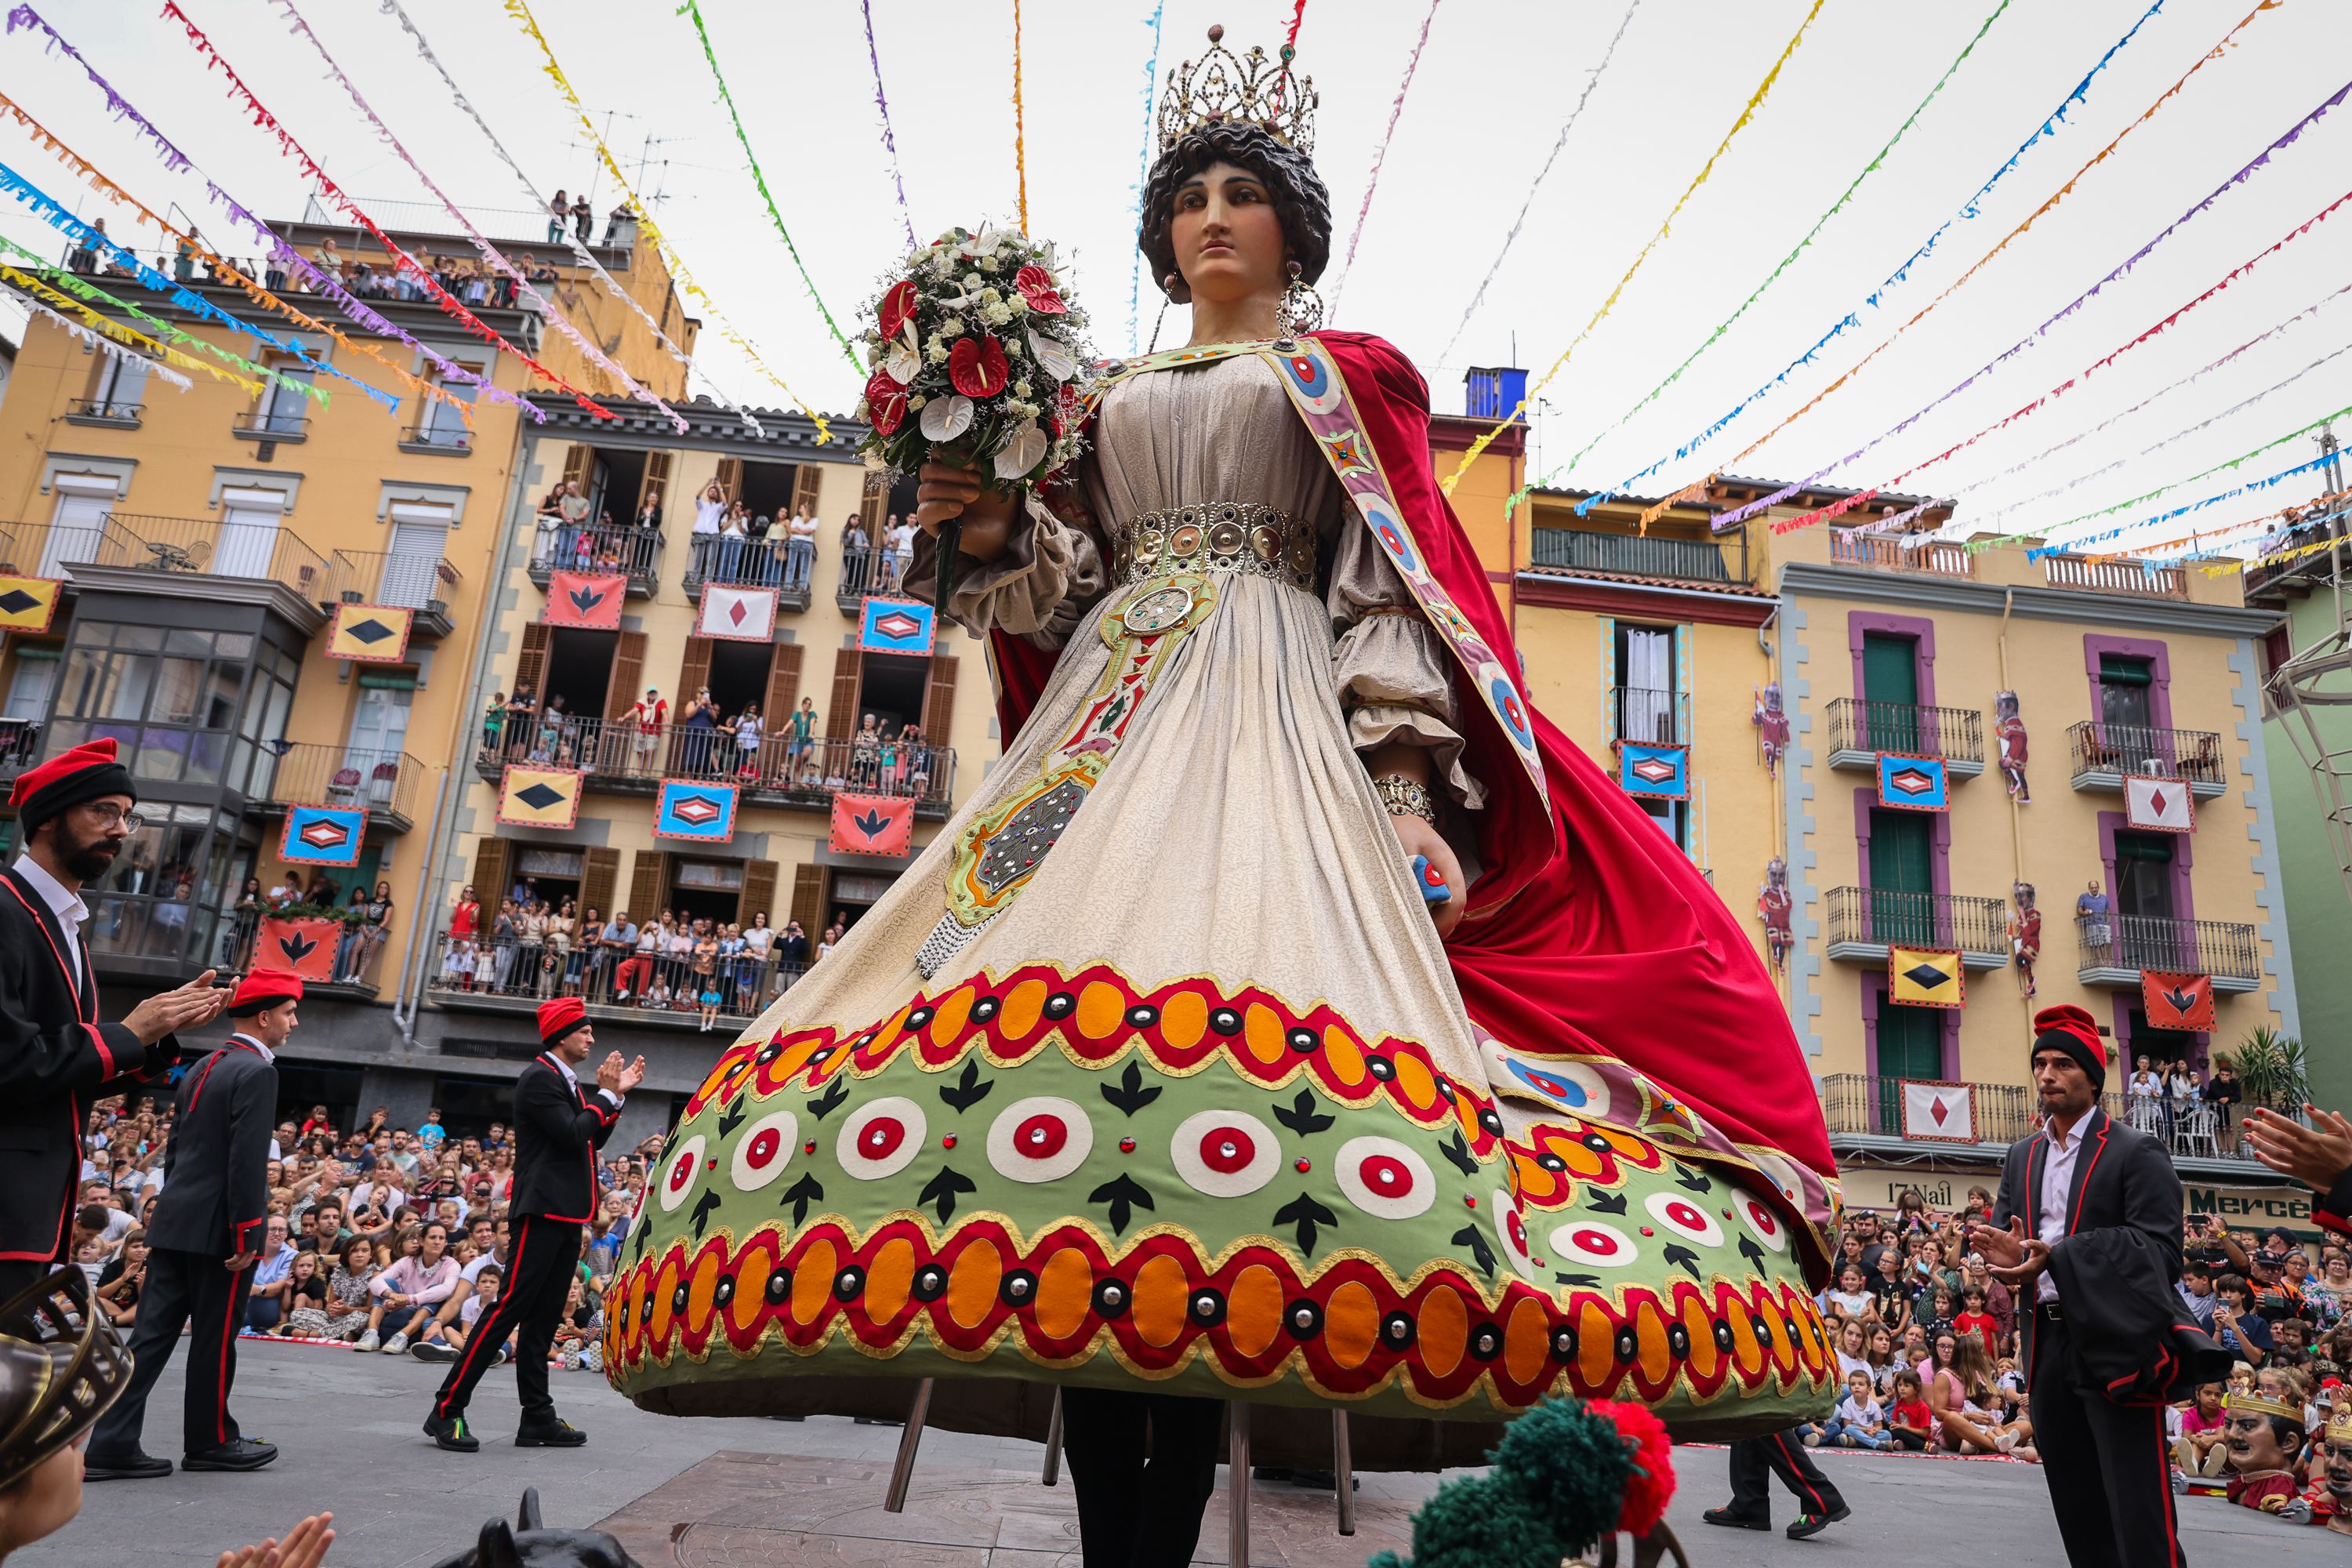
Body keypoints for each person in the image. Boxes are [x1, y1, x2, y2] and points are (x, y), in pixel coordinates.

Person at [606, 47, 1840, 1568]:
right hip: (1110, 727)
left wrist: (1401, 788)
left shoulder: (1338, 380)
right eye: (1190, 196)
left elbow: (1383, 585)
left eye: (1242, 194)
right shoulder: (1109, 397)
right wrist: (984, 513)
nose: (1212, 218)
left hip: (1274, 721)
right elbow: (1062, 590)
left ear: (1292, 229)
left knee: (1224, 1165)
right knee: (1053, 1102)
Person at [0, 739, 226, 1300]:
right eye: (103, 811)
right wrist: (130, 1032)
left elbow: (66, 1072)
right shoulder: (6, 911)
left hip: (34, 1214)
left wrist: (156, 1032)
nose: (122, 830)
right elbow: (11, 1061)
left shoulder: (64, 923)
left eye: (128, 815)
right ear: (49, 818)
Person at [1971, 1004, 2194, 1567]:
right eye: (2040, 1063)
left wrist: (2061, 1257)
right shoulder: (2021, 1155)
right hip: (2045, 1343)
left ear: (2092, 1077)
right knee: (2076, 1501)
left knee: (2137, 1505)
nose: (2047, 1075)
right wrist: (2006, 1255)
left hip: (2116, 1341)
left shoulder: (2135, 1150)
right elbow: (2015, 1241)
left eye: (2063, 1064)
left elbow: (2163, 1252)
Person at [84, 971, 299, 1481]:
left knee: (151, 1336)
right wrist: (248, 1233)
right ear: (265, 1017)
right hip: (219, 1232)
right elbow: (247, 1162)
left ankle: (111, 1442)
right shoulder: (257, 1072)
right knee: (214, 1338)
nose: (293, 1022)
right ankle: (212, 1441)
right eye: (289, 1013)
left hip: (177, 1223)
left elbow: (176, 1150)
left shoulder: (205, 1066)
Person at [424, 996, 643, 1453]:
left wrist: (614, 1096)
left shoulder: (563, 1080)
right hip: (542, 1212)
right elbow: (572, 1132)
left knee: (543, 1319)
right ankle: (447, 1408)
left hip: (565, 1214)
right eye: (584, 1030)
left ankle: (537, 1417)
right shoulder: (540, 1078)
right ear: (562, 1034)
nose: (592, 1037)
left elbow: (592, 1133)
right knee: (509, 1309)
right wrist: (603, 1096)